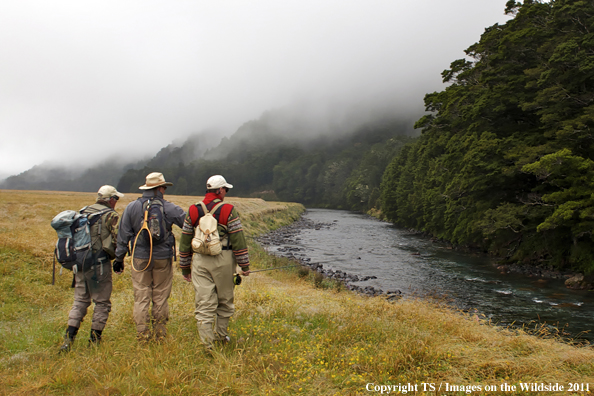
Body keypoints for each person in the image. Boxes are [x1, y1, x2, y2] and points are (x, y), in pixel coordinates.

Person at [179, 175, 251, 349]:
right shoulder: (228, 210)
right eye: (225, 189)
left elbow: (185, 239)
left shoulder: (193, 209)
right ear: (219, 190)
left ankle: (206, 343)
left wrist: (185, 268)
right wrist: (244, 265)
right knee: (225, 300)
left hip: (199, 260)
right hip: (223, 259)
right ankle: (220, 337)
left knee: (204, 302)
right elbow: (238, 239)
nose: (225, 193)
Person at [114, 172, 186, 341]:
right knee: (160, 295)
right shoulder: (169, 207)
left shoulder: (131, 207)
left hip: (139, 258)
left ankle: (143, 335)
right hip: (163, 258)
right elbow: (187, 224)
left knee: (141, 296)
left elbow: (123, 235)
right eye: (164, 188)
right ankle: (160, 334)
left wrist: (118, 259)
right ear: (160, 189)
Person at [60, 185, 123, 352]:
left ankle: (68, 339)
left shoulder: (83, 212)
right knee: (102, 302)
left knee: (80, 300)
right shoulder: (111, 215)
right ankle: (94, 342)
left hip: (80, 263)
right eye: (116, 199)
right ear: (111, 199)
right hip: (99, 264)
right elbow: (118, 239)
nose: (116, 202)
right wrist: (119, 258)